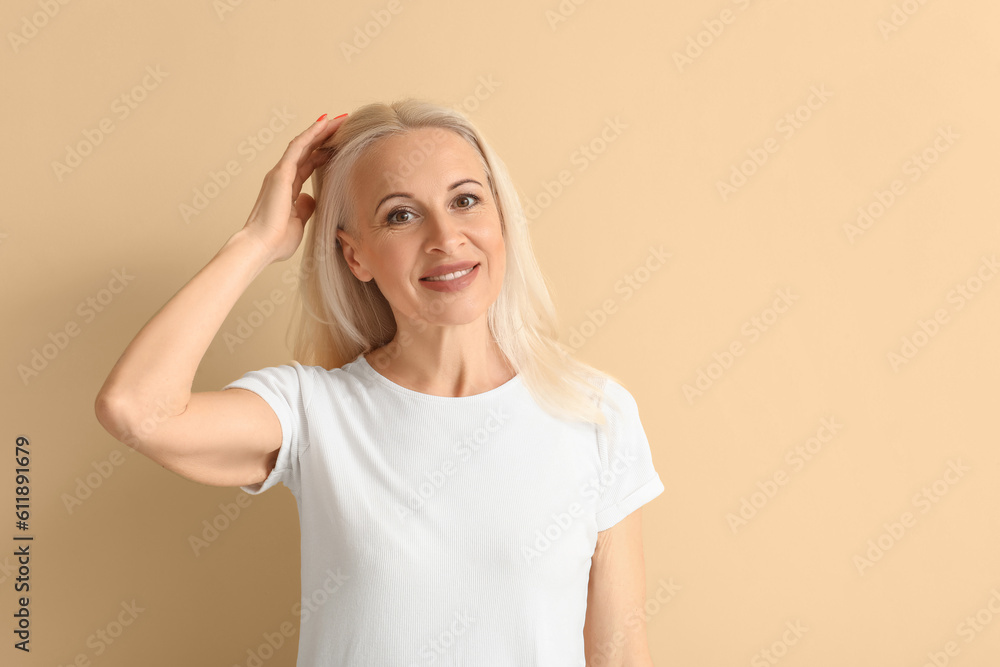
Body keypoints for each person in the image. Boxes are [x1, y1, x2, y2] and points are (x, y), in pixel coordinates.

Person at [95, 99, 665, 666]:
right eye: (401, 215)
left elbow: (620, 655)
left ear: (502, 221)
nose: (446, 237)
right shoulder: (311, 411)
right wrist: (255, 243)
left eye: (466, 200)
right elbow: (134, 409)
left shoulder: (595, 414)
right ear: (355, 256)